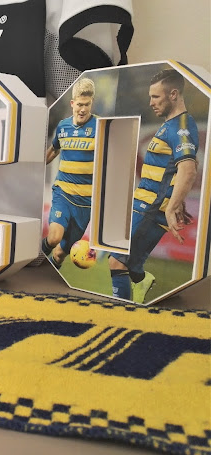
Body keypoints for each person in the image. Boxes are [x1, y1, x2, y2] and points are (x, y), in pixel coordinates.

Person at [109, 69, 198, 303]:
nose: (151, 102)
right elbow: (171, 170)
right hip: (144, 203)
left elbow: (188, 170)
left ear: (173, 94)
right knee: (128, 263)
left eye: (156, 97)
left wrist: (171, 207)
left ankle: (117, 314)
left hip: (152, 208)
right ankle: (140, 280)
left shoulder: (181, 127)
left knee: (117, 261)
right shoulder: (168, 125)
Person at [41, 78, 97, 268]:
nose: (83, 109)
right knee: (54, 237)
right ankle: (33, 259)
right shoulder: (63, 126)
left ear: (91, 103)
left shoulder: (100, 127)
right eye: (80, 104)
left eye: (87, 105)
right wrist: (35, 168)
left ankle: (47, 270)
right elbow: (53, 150)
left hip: (85, 202)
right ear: (72, 103)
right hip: (63, 192)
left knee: (59, 254)